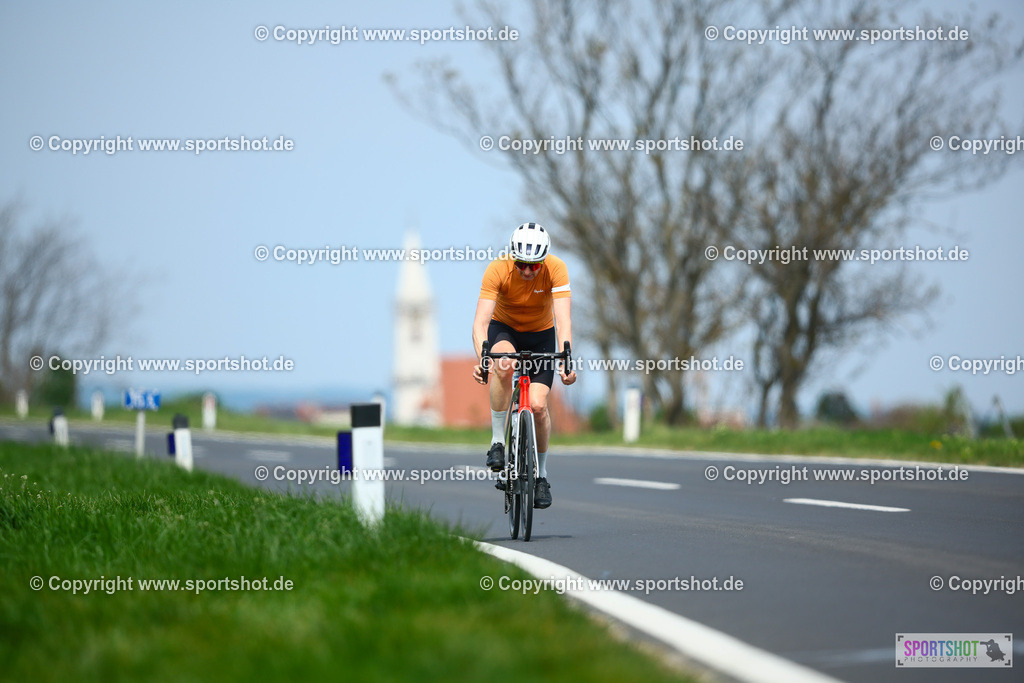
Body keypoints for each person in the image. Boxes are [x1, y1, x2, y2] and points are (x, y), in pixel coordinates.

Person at [472, 222, 576, 509]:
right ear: (512, 258)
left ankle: (541, 476)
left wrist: (567, 358)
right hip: (504, 329)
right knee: (503, 365)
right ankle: (497, 442)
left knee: (540, 407)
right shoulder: (497, 269)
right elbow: (480, 322)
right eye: (522, 265)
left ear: (544, 261)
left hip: (541, 334)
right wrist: (483, 358)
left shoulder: (557, 268)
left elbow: (564, 319)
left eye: (535, 266)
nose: (528, 271)